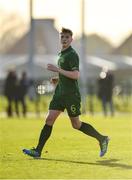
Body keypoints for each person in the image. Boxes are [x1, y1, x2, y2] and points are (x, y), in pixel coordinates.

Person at [23, 28, 109, 158]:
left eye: (67, 37)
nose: (64, 39)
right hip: (59, 94)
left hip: (71, 95)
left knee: (76, 124)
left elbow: (75, 75)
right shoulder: (61, 54)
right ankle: (38, 151)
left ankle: (102, 139)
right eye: (62, 37)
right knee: (49, 119)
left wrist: (57, 70)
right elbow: (67, 74)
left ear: (71, 39)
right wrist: (58, 78)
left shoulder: (72, 55)